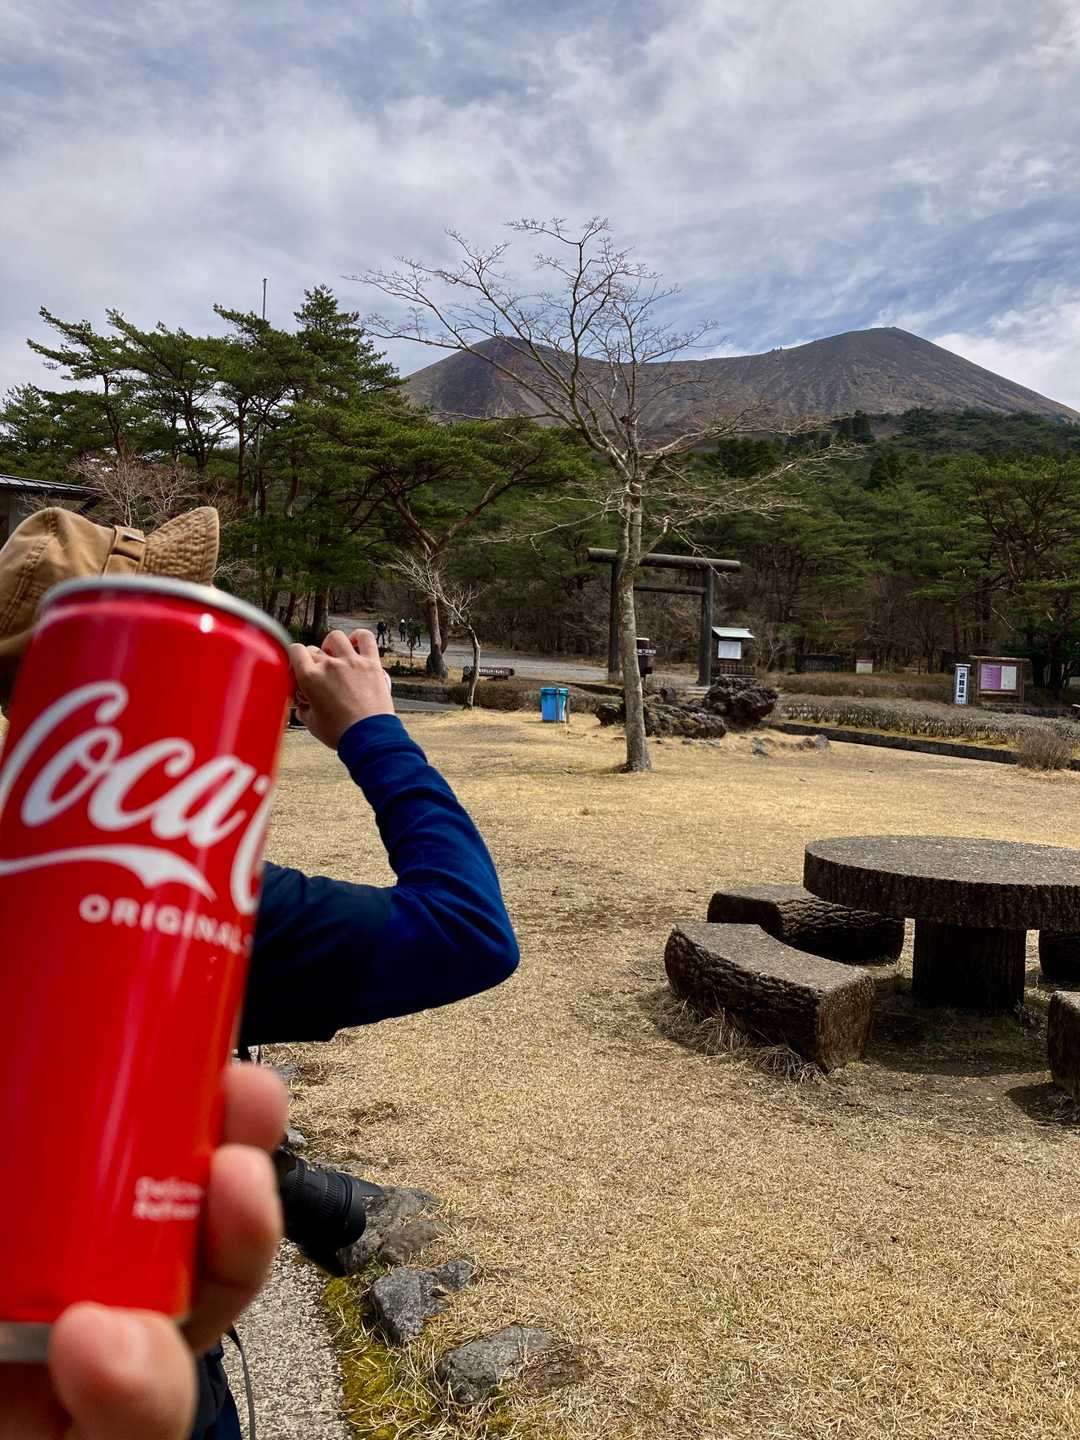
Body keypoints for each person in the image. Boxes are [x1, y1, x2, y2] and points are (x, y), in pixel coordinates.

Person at [0, 507, 520, 1439]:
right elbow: (469, 930)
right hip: (134, 1379)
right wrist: (374, 731)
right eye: (182, 601)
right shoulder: (180, 904)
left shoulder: (53, 860)